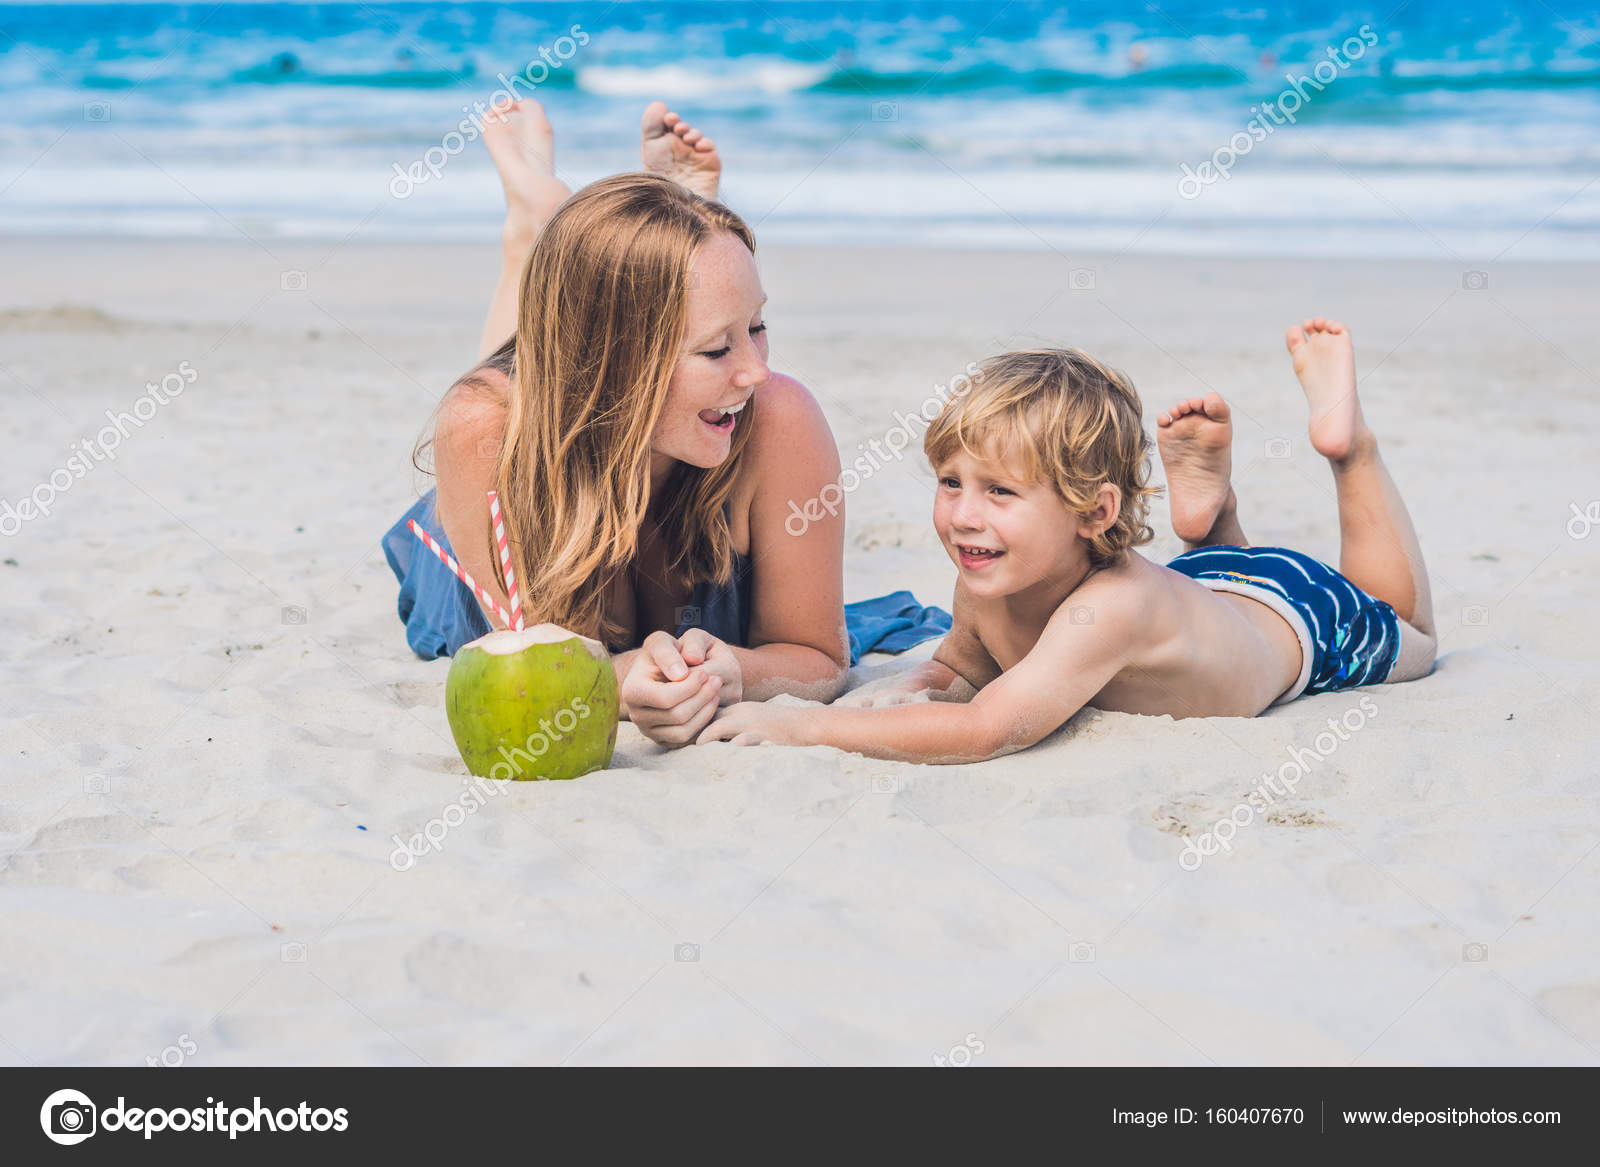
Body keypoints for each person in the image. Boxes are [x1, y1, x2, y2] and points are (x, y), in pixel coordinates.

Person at [382, 100, 947, 747]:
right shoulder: (484, 431)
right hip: (523, 455)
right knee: (501, 398)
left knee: (565, 347)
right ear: (618, 363)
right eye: (716, 349)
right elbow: (541, 661)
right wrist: (623, 682)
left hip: (593, 397)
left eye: (757, 327)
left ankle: (659, 234)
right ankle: (532, 233)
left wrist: (739, 670)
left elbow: (819, 656)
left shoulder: (781, 419)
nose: (757, 372)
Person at [699, 318, 1436, 762]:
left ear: (1093, 511)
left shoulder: (1108, 608)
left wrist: (803, 728)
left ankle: (1350, 450)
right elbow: (961, 669)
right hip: (1210, 589)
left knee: (1415, 633)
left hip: (1306, 616)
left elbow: (990, 728)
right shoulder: (987, 569)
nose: (963, 515)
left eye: (1000, 491)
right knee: (1212, 575)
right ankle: (1213, 522)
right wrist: (902, 689)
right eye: (950, 482)